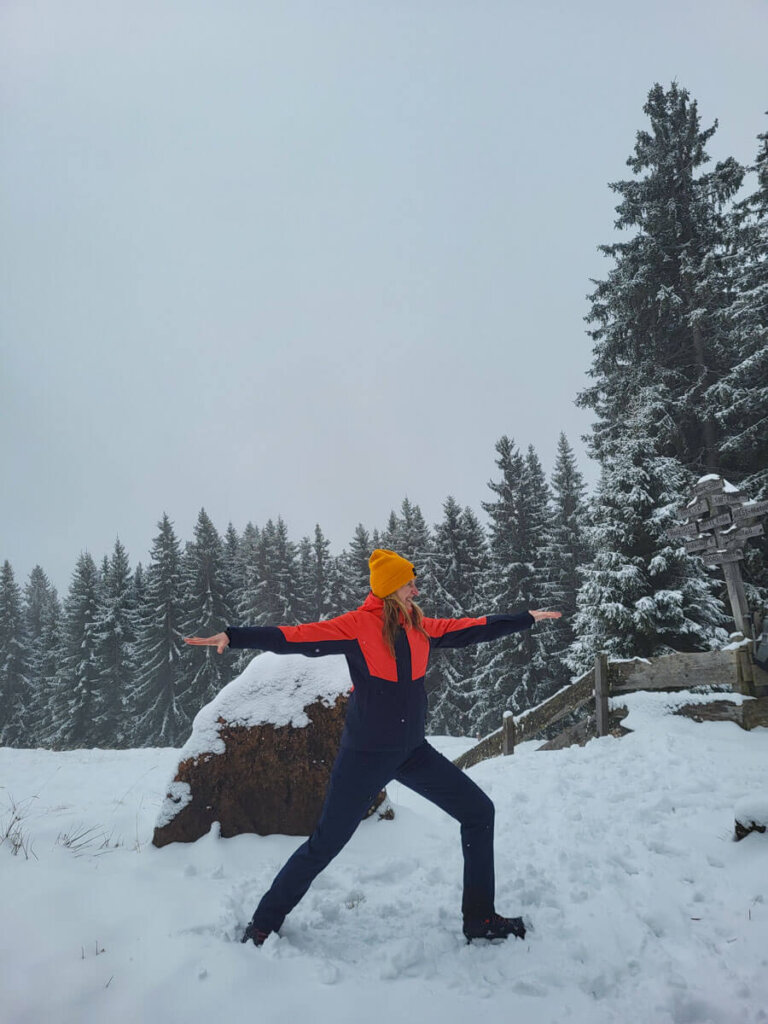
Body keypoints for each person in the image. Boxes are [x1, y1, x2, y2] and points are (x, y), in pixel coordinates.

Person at [184, 548, 561, 947]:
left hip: (413, 753)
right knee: (325, 844)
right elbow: (296, 636)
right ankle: (263, 924)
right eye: (409, 584)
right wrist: (235, 636)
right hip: (363, 758)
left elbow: (472, 629)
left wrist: (524, 619)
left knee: (479, 812)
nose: (416, 590)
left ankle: (480, 919)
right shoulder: (357, 625)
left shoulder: (420, 627)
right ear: (391, 588)